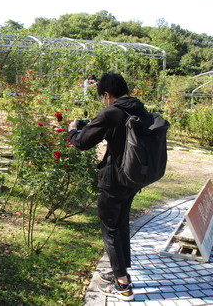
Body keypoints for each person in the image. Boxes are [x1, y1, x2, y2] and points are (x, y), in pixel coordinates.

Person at [68, 72, 145, 301]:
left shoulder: (111, 112)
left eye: (102, 97)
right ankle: (119, 270)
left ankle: (122, 285)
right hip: (133, 178)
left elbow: (82, 142)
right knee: (121, 225)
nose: (103, 101)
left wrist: (73, 129)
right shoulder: (138, 109)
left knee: (110, 229)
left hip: (113, 179)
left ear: (107, 94)